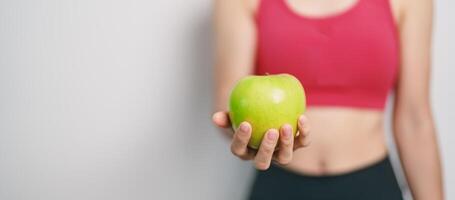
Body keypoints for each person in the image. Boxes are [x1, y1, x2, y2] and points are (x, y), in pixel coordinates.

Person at [211, 0, 443, 199]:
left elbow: (414, 120)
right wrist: (241, 134)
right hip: (278, 183)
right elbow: (229, 104)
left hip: (372, 185)